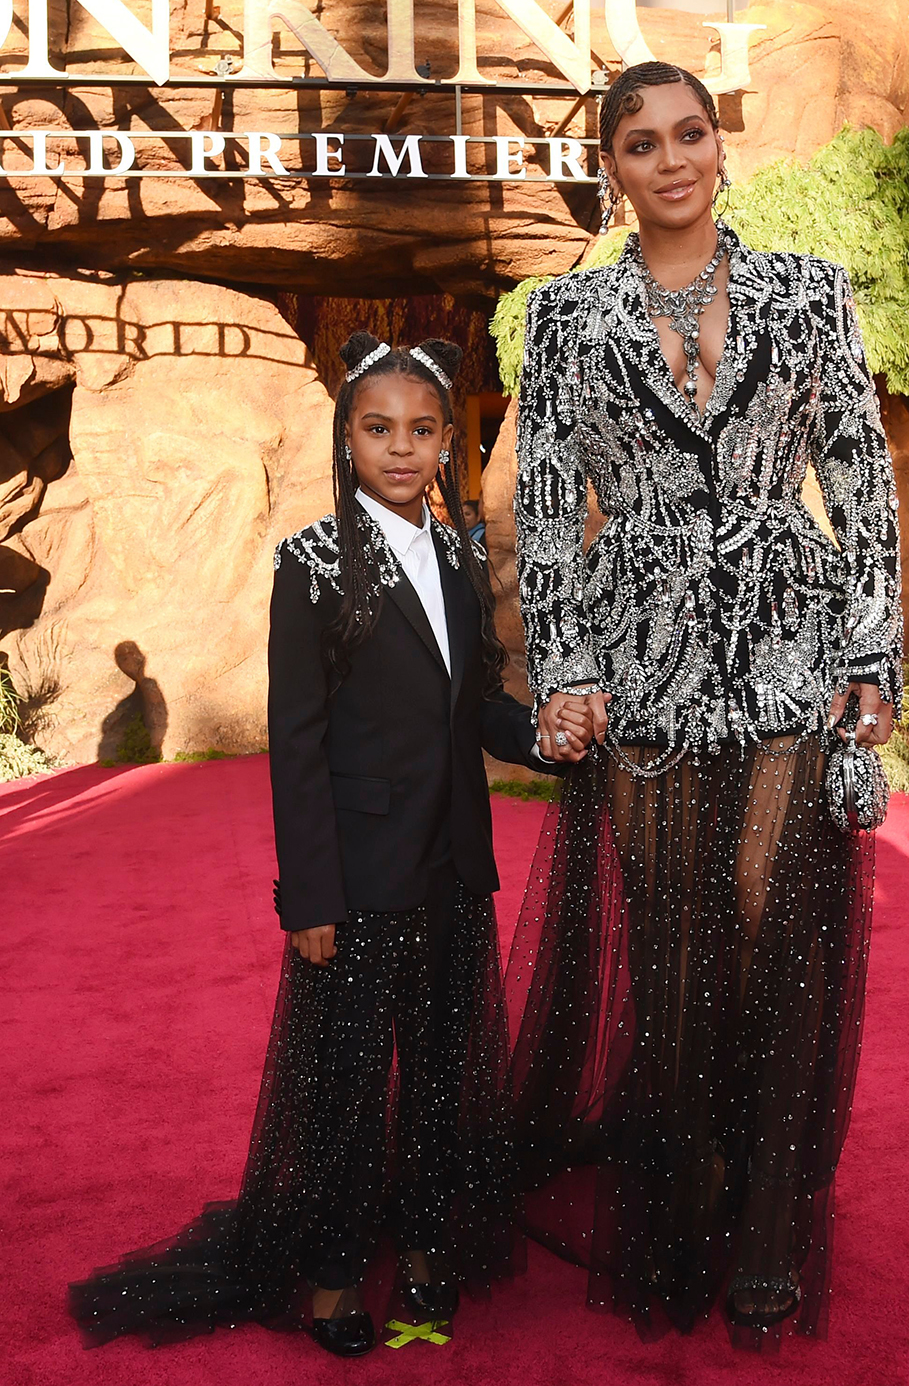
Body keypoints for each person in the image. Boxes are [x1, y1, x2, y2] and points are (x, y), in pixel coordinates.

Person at [69, 333, 593, 1357]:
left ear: (448, 442)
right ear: (346, 436)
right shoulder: (306, 565)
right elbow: (297, 741)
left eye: (422, 430)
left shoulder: (457, 551)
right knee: (348, 1086)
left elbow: (477, 704)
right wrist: (307, 892)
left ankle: (433, 1249)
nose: (401, 447)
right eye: (377, 428)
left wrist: (544, 736)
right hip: (353, 879)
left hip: (452, 866)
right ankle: (332, 1275)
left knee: (444, 1074)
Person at [507, 61, 903, 1345]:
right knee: (675, 939)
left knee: (769, 922)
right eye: (639, 142)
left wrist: (871, 647)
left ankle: (773, 1223)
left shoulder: (804, 290)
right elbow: (553, 507)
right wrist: (565, 666)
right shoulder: (567, 321)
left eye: (689, 134)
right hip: (645, 657)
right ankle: (686, 1196)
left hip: (788, 638)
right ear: (611, 168)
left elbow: (857, 467)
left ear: (718, 146)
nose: (670, 159)